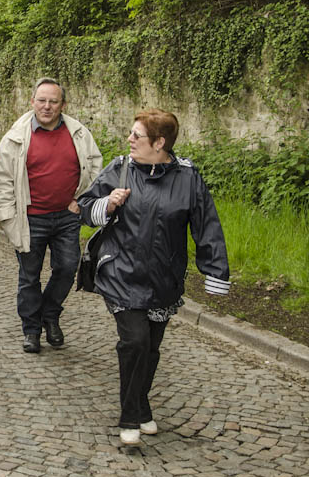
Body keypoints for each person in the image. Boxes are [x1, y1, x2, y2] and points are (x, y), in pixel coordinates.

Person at [77, 109, 230, 445]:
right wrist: (107, 204)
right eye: (131, 134)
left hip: (164, 277)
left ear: (160, 143)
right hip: (121, 272)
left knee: (152, 348)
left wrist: (215, 271)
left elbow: (206, 225)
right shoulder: (120, 168)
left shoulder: (188, 178)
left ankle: (142, 406)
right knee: (135, 342)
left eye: (137, 136)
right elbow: (84, 207)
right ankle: (129, 415)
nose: (129, 140)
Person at [0, 77, 103, 354]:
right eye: (42, 100)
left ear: (63, 104)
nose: (47, 106)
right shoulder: (16, 136)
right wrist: (7, 217)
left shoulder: (78, 133)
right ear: (32, 102)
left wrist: (83, 201)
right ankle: (31, 330)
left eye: (53, 101)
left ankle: (49, 315)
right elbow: (2, 180)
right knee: (29, 277)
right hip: (30, 218)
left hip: (67, 217)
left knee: (67, 268)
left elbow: (96, 170)